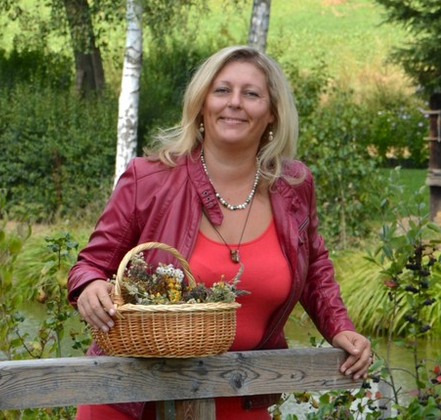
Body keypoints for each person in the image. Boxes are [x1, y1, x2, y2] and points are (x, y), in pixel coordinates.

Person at [67, 45, 371, 420]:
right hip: (132, 400)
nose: (235, 103)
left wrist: (340, 328)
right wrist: (89, 287)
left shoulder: (293, 185)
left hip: (242, 394)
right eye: (222, 90)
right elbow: (89, 267)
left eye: (251, 94)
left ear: (273, 113)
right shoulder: (149, 179)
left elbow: (314, 269)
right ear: (201, 103)